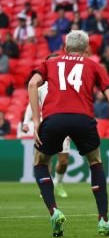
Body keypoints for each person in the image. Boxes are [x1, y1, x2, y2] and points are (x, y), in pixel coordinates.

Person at [28, 30, 109, 237]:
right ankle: (103, 220)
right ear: (87, 49)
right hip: (83, 119)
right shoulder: (94, 65)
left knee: (40, 163)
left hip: (54, 118)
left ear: (64, 48)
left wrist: (37, 121)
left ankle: (54, 211)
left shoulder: (50, 63)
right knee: (95, 162)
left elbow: (32, 84)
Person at [22, 54, 71, 198]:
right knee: (45, 158)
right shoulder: (41, 85)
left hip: (64, 124)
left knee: (63, 161)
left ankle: (58, 183)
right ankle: (46, 187)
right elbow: (32, 104)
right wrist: (26, 121)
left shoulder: (65, 83)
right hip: (46, 125)